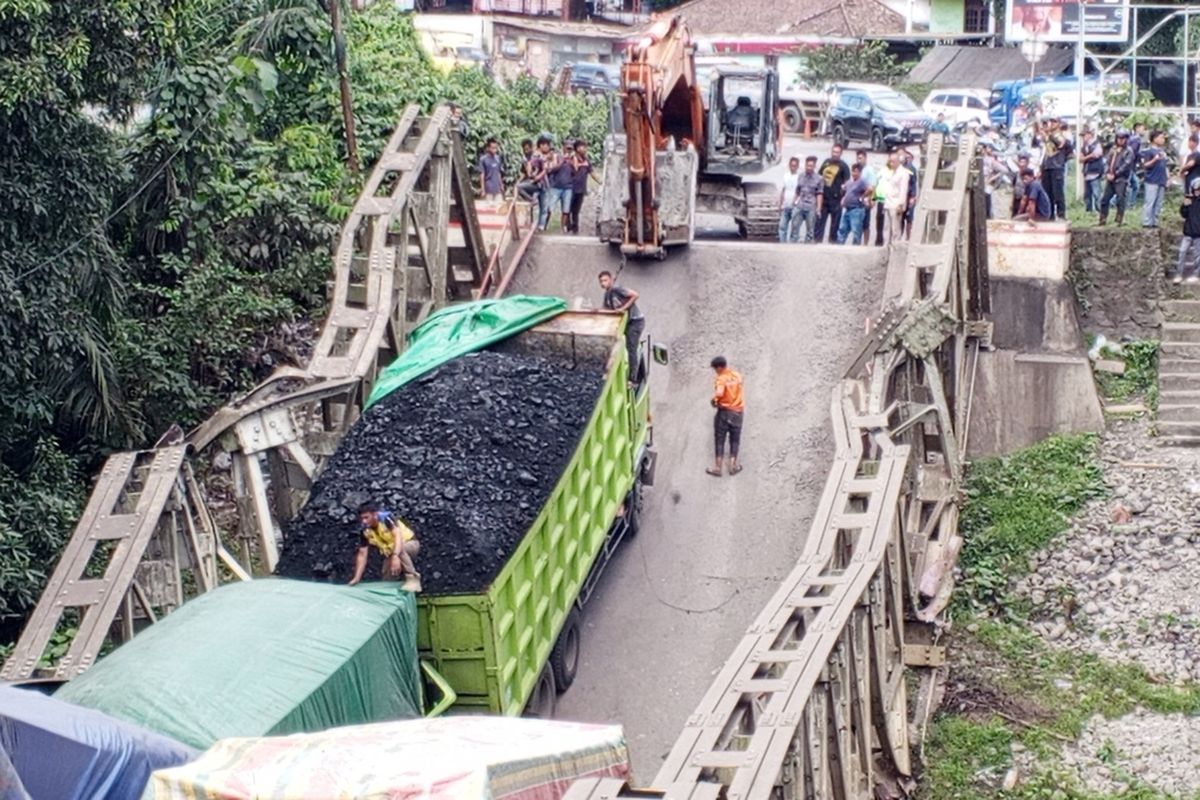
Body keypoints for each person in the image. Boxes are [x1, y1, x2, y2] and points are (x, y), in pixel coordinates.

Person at [350, 502, 421, 591]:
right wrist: (357, 578)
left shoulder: (386, 519)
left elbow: (398, 537)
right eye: (362, 518)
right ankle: (389, 589)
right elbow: (362, 554)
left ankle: (413, 578)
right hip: (392, 552)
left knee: (399, 549)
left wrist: (395, 556)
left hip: (410, 544)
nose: (364, 521)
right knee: (387, 571)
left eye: (366, 517)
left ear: (375, 514)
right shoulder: (365, 531)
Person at [599, 271, 645, 384]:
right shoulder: (607, 295)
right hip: (623, 323)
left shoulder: (617, 289)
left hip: (634, 322)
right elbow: (605, 309)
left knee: (631, 348)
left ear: (611, 280)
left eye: (605, 280)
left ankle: (633, 379)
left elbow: (635, 295)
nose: (603, 283)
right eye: (601, 281)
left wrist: (623, 309)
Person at [707, 356, 744, 478]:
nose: (715, 372)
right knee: (735, 439)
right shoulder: (737, 375)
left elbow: (719, 393)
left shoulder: (721, 379)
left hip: (724, 412)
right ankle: (733, 466)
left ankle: (718, 468)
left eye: (715, 369)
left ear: (719, 368)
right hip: (738, 412)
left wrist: (714, 400)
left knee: (720, 438)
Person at [1099, 129, 1135, 226]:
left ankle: (1119, 220)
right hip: (1110, 177)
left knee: (1120, 199)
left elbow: (1126, 165)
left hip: (1121, 178)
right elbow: (1107, 162)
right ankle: (1102, 218)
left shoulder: (1129, 151)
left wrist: (1115, 174)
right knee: (1104, 199)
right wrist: (1107, 172)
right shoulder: (1113, 149)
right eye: (1119, 138)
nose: (1120, 140)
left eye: (1123, 138)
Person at [816, 144, 850, 243]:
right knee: (819, 224)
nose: (835, 154)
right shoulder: (826, 162)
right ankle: (817, 242)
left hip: (836, 200)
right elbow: (819, 177)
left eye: (837, 152)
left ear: (841, 153)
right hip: (824, 199)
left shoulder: (844, 166)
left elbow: (847, 183)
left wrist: (844, 197)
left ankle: (832, 244)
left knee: (835, 226)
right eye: (833, 152)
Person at [1038, 117, 1068, 220]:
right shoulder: (1046, 136)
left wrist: (1049, 135)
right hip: (1047, 166)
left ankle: (1061, 214)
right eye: (1050, 122)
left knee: (1058, 193)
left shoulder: (1062, 135)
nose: (1051, 124)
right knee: (1047, 193)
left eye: (1054, 122)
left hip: (1057, 166)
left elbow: (1060, 144)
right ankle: (1049, 215)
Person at [879, 151, 911, 243]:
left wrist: (901, 204)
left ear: (897, 162)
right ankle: (886, 246)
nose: (891, 164)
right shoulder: (889, 172)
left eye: (892, 162)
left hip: (896, 204)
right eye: (890, 161)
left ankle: (895, 247)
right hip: (888, 203)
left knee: (895, 229)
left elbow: (903, 190)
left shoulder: (903, 173)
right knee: (886, 228)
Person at [836, 163, 870, 245]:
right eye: (853, 171)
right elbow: (846, 192)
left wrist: (862, 197)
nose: (854, 173)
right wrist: (843, 197)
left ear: (860, 172)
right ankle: (840, 245)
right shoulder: (849, 182)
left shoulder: (861, 182)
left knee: (856, 230)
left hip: (856, 209)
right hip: (847, 209)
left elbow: (870, 189)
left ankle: (856, 246)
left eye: (856, 171)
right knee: (842, 229)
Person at [1174, 178, 1200, 284]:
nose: (1198, 191)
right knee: (1182, 252)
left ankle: (1196, 274)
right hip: (1188, 232)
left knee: (1198, 255)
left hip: (1198, 233)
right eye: (1197, 189)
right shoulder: (1190, 200)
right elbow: (1184, 214)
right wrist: (1184, 205)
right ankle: (1179, 274)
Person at [1141, 129, 1169, 228]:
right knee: (1150, 201)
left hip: (1161, 180)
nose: (1163, 140)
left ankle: (1155, 222)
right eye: (1161, 138)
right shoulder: (1148, 151)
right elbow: (1145, 165)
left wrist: (1167, 178)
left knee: (1158, 203)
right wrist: (1154, 159)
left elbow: (1165, 166)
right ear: (1154, 139)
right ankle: (1146, 222)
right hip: (1151, 180)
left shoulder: (1163, 152)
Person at [794, 156, 824, 243]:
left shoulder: (819, 179)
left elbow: (819, 194)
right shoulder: (801, 176)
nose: (809, 168)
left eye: (811, 166)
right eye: (807, 165)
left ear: (814, 166)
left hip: (811, 206)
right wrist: (794, 202)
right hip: (800, 205)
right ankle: (792, 245)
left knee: (810, 232)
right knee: (795, 228)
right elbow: (798, 190)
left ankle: (807, 248)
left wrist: (818, 208)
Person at [567, 140, 592, 234]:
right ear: (577, 148)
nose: (584, 149)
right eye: (582, 147)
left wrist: (600, 182)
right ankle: (568, 226)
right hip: (571, 187)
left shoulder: (587, 160)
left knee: (576, 210)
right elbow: (575, 169)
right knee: (568, 208)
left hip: (581, 188)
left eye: (585, 147)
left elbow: (591, 172)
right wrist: (579, 162)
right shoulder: (572, 158)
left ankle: (575, 228)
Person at [533, 135, 557, 229]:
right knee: (536, 205)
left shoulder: (548, 156)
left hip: (544, 184)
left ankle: (541, 226)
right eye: (543, 144)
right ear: (539, 145)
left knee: (544, 207)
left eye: (547, 145)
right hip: (536, 183)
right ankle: (538, 225)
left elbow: (551, 168)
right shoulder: (536, 156)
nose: (545, 147)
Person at [855, 150, 877, 246]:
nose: (859, 160)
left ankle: (865, 243)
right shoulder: (857, 169)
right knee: (857, 223)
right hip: (857, 199)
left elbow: (873, 186)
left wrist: (873, 200)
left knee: (866, 224)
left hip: (866, 199)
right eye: (858, 158)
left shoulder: (869, 170)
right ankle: (857, 242)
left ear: (865, 158)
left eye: (861, 158)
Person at [1079, 130, 1105, 213]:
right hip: (1087, 172)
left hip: (1095, 171)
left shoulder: (1097, 144)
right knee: (1087, 194)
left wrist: (1086, 157)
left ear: (1090, 135)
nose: (1083, 138)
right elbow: (1080, 159)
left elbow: (1097, 154)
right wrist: (1089, 156)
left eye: (1085, 135)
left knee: (1096, 193)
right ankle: (1088, 210)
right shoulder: (1084, 147)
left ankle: (1099, 210)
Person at [778, 156, 803, 243]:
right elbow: (783, 190)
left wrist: (796, 202)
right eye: (791, 165)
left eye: (795, 166)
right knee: (782, 226)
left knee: (795, 227)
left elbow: (801, 191)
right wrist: (780, 203)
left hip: (795, 206)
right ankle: (782, 243)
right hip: (785, 205)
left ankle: (793, 245)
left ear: (797, 166)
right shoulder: (786, 176)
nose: (793, 167)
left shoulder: (800, 177)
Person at [478, 137, 504, 202]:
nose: (495, 150)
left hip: (497, 189)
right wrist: (483, 189)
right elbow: (482, 175)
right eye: (493, 148)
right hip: (488, 189)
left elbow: (498, 173)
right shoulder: (483, 159)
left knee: (500, 206)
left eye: (496, 148)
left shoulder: (498, 158)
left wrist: (501, 185)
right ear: (488, 148)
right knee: (489, 206)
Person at [516, 138, 540, 203]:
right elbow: (524, 173)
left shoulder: (536, 157)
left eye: (527, 149)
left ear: (531, 148)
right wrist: (518, 181)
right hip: (529, 182)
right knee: (518, 186)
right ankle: (532, 200)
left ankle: (533, 200)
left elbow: (537, 171)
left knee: (519, 187)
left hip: (537, 182)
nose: (526, 151)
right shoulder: (525, 159)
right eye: (524, 150)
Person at [1127, 121, 1146, 205]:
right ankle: (1113, 202)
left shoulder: (1131, 138)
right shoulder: (1136, 139)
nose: (1144, 131)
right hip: (1130, 166)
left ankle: (1131, 203)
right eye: (1143, 129)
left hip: (1131, 166)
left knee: (1135, 184)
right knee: (1128, 185)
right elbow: (1133, 152)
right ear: (1137, 129)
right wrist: (1142, 156)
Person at [1010, 152, 1031, 218]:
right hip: (1017, 200)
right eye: (1020, 162)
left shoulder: (1030, 175)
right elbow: (1014, 189)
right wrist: (1012, 203)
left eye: (1024, 162)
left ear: (1027, 163)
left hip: (1026, 202)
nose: (1022, 164)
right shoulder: (1016, 175)